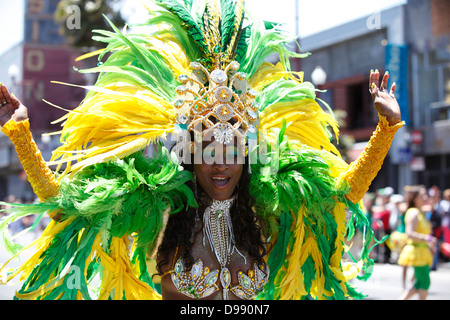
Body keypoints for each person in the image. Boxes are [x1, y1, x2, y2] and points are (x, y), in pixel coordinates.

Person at [0, 0, 403, 300]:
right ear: (191, 154)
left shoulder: (267, 211)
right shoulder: (159, 211)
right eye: (209, 149)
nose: (221, 164)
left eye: (232, 151)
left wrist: (385, 130)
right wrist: (21, 135)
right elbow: (64, 206)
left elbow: (341, 196)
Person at [398, 185, 436, 300]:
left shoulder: (420, 212)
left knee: (419, 283)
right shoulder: (413, 212)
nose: (425, 198)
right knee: (425, 282)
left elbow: (432, 206)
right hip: (416, 252)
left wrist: (429, 243)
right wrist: (428, 239)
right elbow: (409, 233)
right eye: (422, 196)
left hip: (422, 251)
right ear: (414, 198)